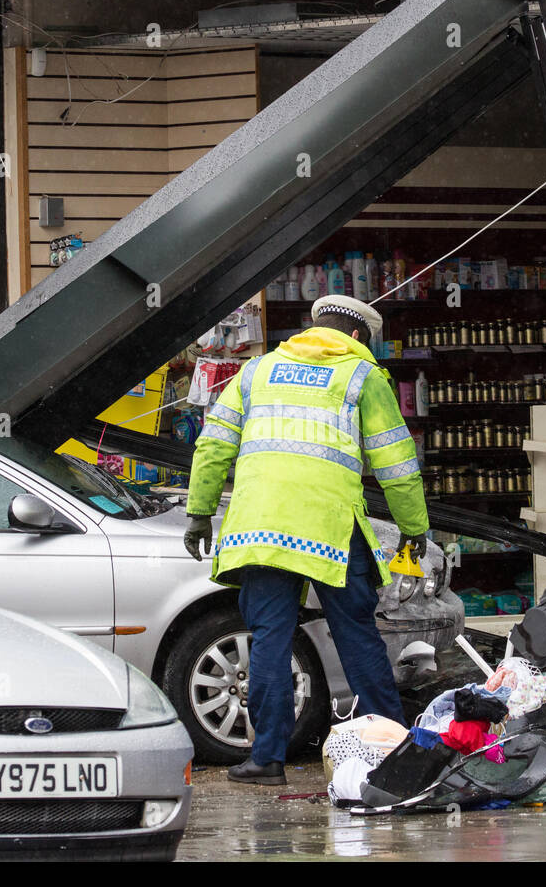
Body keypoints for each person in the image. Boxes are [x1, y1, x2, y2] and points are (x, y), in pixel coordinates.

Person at [183, 294, 430, 785]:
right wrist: (414, 526)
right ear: (358, 337)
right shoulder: (362, 378)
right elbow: (397, 465)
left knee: (270, 641)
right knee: (357, 638)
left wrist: (199, 513)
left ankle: (267, 759)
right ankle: (394, 751)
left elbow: (213, 444)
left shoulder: (255, 373)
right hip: (330, 532)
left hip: (262, 529)